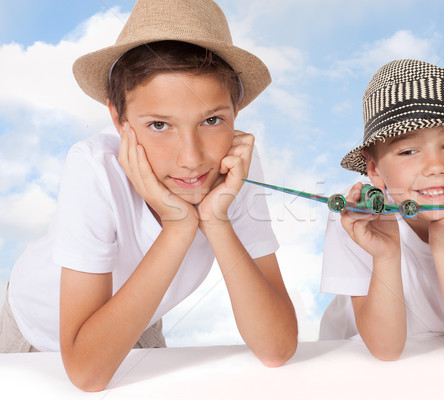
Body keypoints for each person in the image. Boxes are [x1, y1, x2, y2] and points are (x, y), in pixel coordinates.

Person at [0, 0, 298, 391]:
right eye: (159, 124)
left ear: (236, 111)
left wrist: (216, 220)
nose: (191, 159)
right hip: (33, 330)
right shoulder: (95, 168)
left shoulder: (234, 164)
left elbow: (276, 348)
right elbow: (87, 374)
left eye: (212, 120)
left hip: (137, 317)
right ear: (117, 120)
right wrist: (178, 226)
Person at [319, 59, 444, 363]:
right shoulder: (357, 217)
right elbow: (385, 351)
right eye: (408, 151)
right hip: (355, 354)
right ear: (374, 168)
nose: (435, 166)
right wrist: (385, 255)